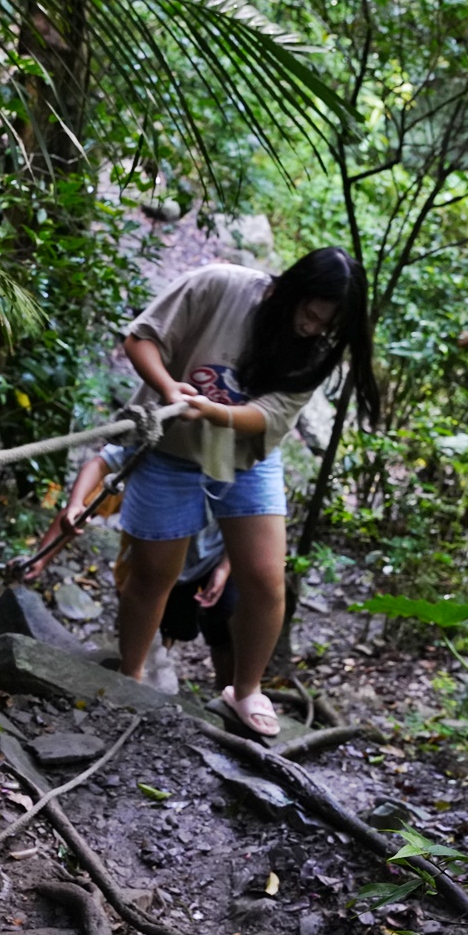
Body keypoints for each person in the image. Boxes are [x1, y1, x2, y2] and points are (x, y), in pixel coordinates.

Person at [114, 247, 379, 736]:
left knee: (264, 577)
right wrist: (171, 391)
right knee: (154, 573)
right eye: (310, 314)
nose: (313, 329)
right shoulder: (220, 286)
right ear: (287, 291)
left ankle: (246, 689)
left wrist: (214, 413)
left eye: (327, 324)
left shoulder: (319, 349)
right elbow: (141, 340)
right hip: (170, 447)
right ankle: (131, 675)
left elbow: (269, 417)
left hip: (245, 457)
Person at [23, 445, 238, 687]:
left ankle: (225, 690)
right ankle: (141, 674)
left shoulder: (233, 464)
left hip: (212, 559)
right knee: (157, 618)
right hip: (152, 567)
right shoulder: (147, 458)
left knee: (219, 620)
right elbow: (82, 508)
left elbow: (245, 521)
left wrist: (224, 568)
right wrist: (41, 559)